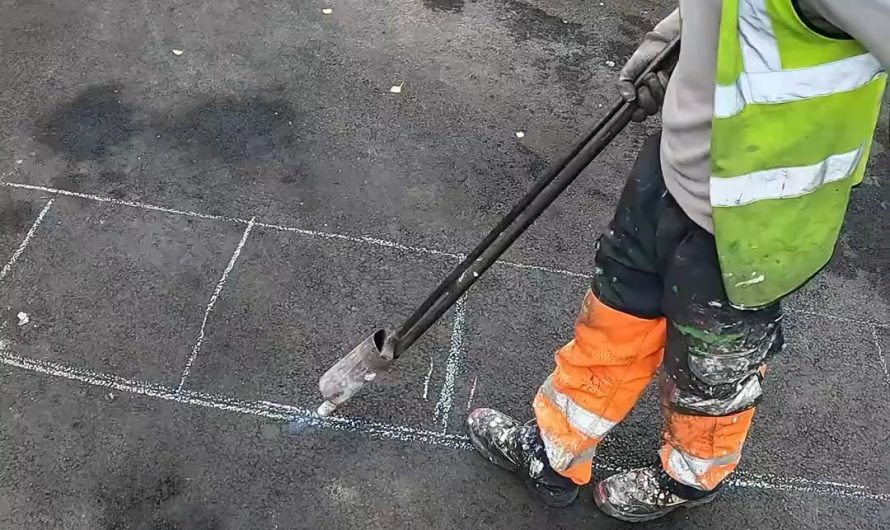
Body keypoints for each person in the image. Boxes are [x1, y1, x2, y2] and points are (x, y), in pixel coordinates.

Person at [466, 0, 890, 523]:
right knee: (615, 316)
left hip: (759, 217)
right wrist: (675, 42)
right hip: (676, 165)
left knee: (712, 367)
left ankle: (691, 476)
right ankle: (554, 448)